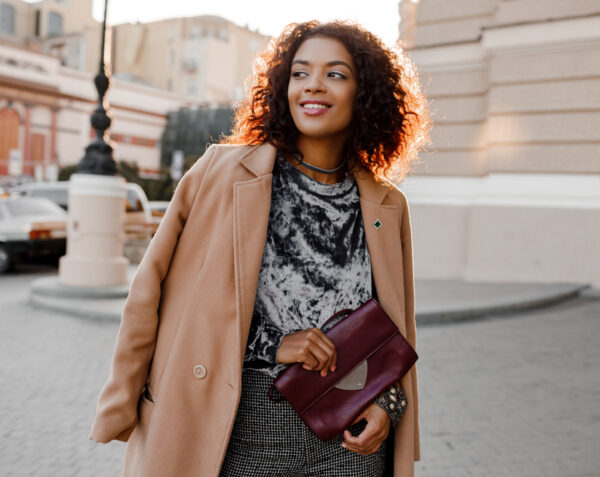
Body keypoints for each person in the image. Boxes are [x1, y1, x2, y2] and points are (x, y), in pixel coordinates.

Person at [89, 20, 430, 477]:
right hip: (240, 430)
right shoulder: (222, 174)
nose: (314, 86)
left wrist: (389, 403)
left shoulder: (387, 204)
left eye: (336, 74)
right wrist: (123, 399)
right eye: (300, 72)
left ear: (365, 92)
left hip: (350, 439)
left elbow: (394, 330)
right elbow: (149, 291)